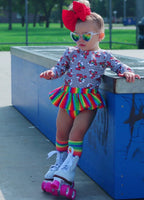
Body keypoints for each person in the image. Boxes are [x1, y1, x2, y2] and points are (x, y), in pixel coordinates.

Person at [40, 0, 140, 187]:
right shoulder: (70, 52)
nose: (79, 41)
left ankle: (69, 170)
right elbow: (59, 67)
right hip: (68, 98)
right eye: (75, 36)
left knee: (76, 134)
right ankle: (60, 163)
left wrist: (126, 71)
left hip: (87, 101)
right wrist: (52, 73)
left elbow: (119, 65)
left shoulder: (104, 56)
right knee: (61, 133)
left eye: (86, 36)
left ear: (100, 36)